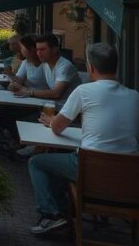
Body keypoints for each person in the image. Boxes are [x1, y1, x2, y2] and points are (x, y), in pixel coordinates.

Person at [27, 43, 139, 235]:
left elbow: (57, 127)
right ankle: (64, 209)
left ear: (91, 68)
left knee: (37, 162)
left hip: (90, 173)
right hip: (129, 180)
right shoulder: (135, 96)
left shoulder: (84, 91)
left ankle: (52, 215)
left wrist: (52, 120)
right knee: (60, 163)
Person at [12, 33, 80, 102]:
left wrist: (29, 92)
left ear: (54, 49)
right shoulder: (45, 64)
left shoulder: (65, 66)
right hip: (55, 105)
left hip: (69, 109)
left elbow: (56, 93)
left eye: (42, 49)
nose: (39, 53)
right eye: (37, 50)